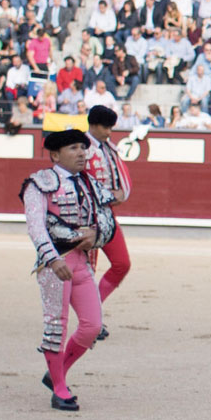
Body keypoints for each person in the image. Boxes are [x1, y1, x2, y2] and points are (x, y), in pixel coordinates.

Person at [23, 126, 115, 412]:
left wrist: (96, 236)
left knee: (92, 326)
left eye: (82, 147)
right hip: (55, 265)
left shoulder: (91, 184)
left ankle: (56, 372)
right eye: (73, 148)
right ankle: (60, 389)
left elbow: (108, 222)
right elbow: (36, 227)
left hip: (81, 261)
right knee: (56, 327)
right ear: (55, 154)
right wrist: (52, 258)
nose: (81, 153)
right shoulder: (38, 184)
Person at [83, 103, 132, 339]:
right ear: (93, 125)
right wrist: (111, 195)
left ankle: (94, 311)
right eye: (105, 127)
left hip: (107, 216)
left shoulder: (108, 148)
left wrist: (121, 193)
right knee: (87, 271)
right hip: (85, 218)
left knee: (122, 263)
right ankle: (92, 320)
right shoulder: (79, 148)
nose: (109, 132)